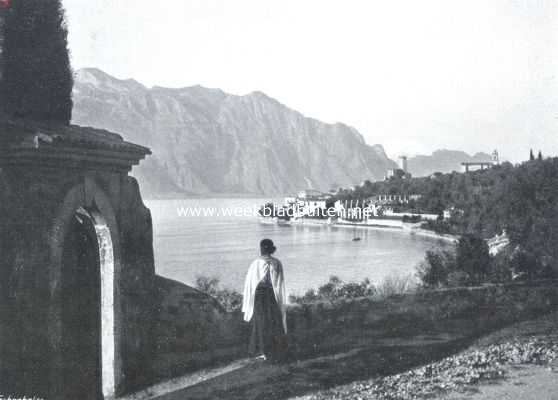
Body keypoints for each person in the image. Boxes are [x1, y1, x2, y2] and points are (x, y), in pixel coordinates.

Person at [242, 239, 287, 361]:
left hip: (263, 296)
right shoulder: (275, 262)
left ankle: (266, 351)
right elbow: (279, 282)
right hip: (267, 295)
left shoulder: (258, 263)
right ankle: (268, 351)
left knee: (263, 322)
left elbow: (249, 283)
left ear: (262, 249)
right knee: (270, 321)